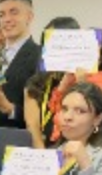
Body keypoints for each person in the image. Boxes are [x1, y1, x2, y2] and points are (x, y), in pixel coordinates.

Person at [0, 0, 41, 129]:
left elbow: (43, 113)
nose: (7, 19)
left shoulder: (40, 56)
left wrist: (8, 107)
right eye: (1, 15)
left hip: (18, 140)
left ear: (29, 17)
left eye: (14, 12)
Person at [24, 17, 82, 148]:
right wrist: (43, 155)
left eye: (57, 43)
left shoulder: (82, 81)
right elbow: (32, 127)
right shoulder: (35, 83)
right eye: (47, 43)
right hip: (42, 150)